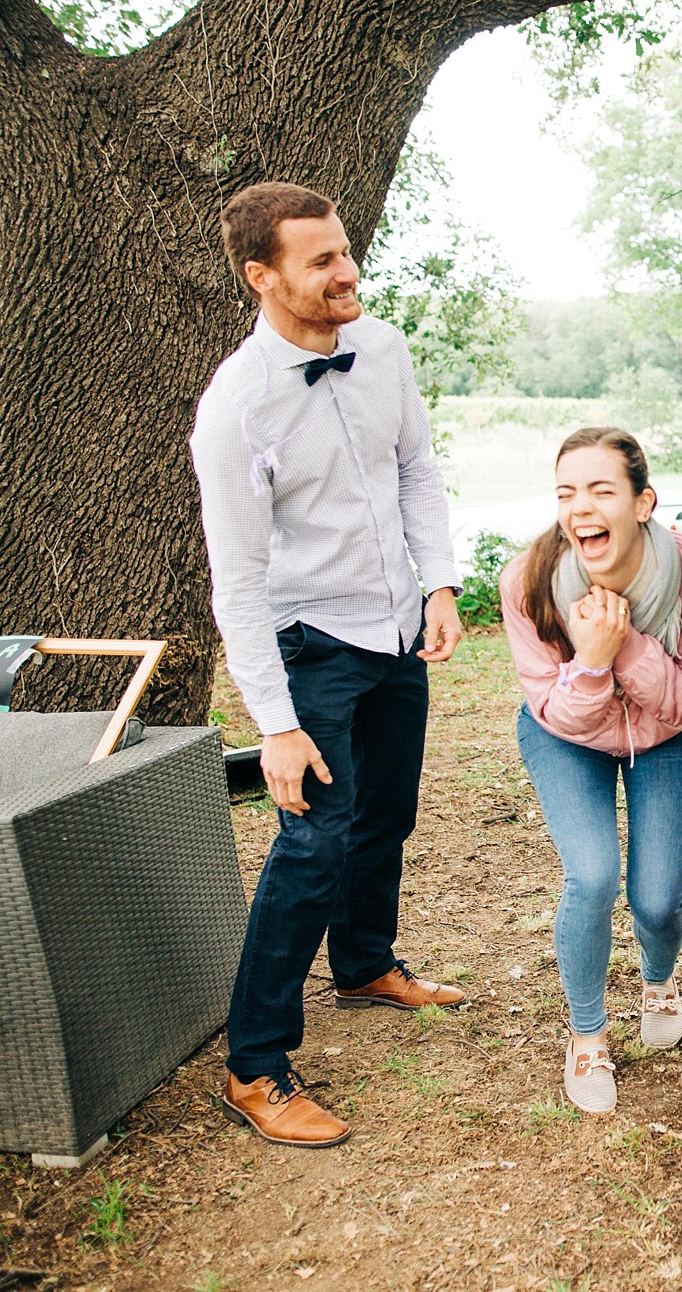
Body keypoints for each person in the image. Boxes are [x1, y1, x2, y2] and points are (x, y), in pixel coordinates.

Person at [191, 180, 466, 1149]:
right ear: (261, 277)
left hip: (397, 630)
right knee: (312, 845)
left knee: (386, 814)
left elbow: (416, 468)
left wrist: (438, 585)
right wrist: (274, 721)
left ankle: (365, 966)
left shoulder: (382, 348)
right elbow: (238, 579)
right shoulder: (236, 410)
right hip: (312, 643)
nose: (346, 271)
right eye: (321, 260)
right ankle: (254, 1065)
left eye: (345, 251)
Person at [502, 428, 682, 1115]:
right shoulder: (526, 579)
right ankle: (587, 1032)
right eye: (567, 492)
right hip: (565, 735)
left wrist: (626, 649)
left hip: (667, 736)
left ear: (643, 501)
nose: (579, 507)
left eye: (600, 490)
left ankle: (659, 981)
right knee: (592, 875)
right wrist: (592, 660)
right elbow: (557, 714)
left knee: (656, 896)